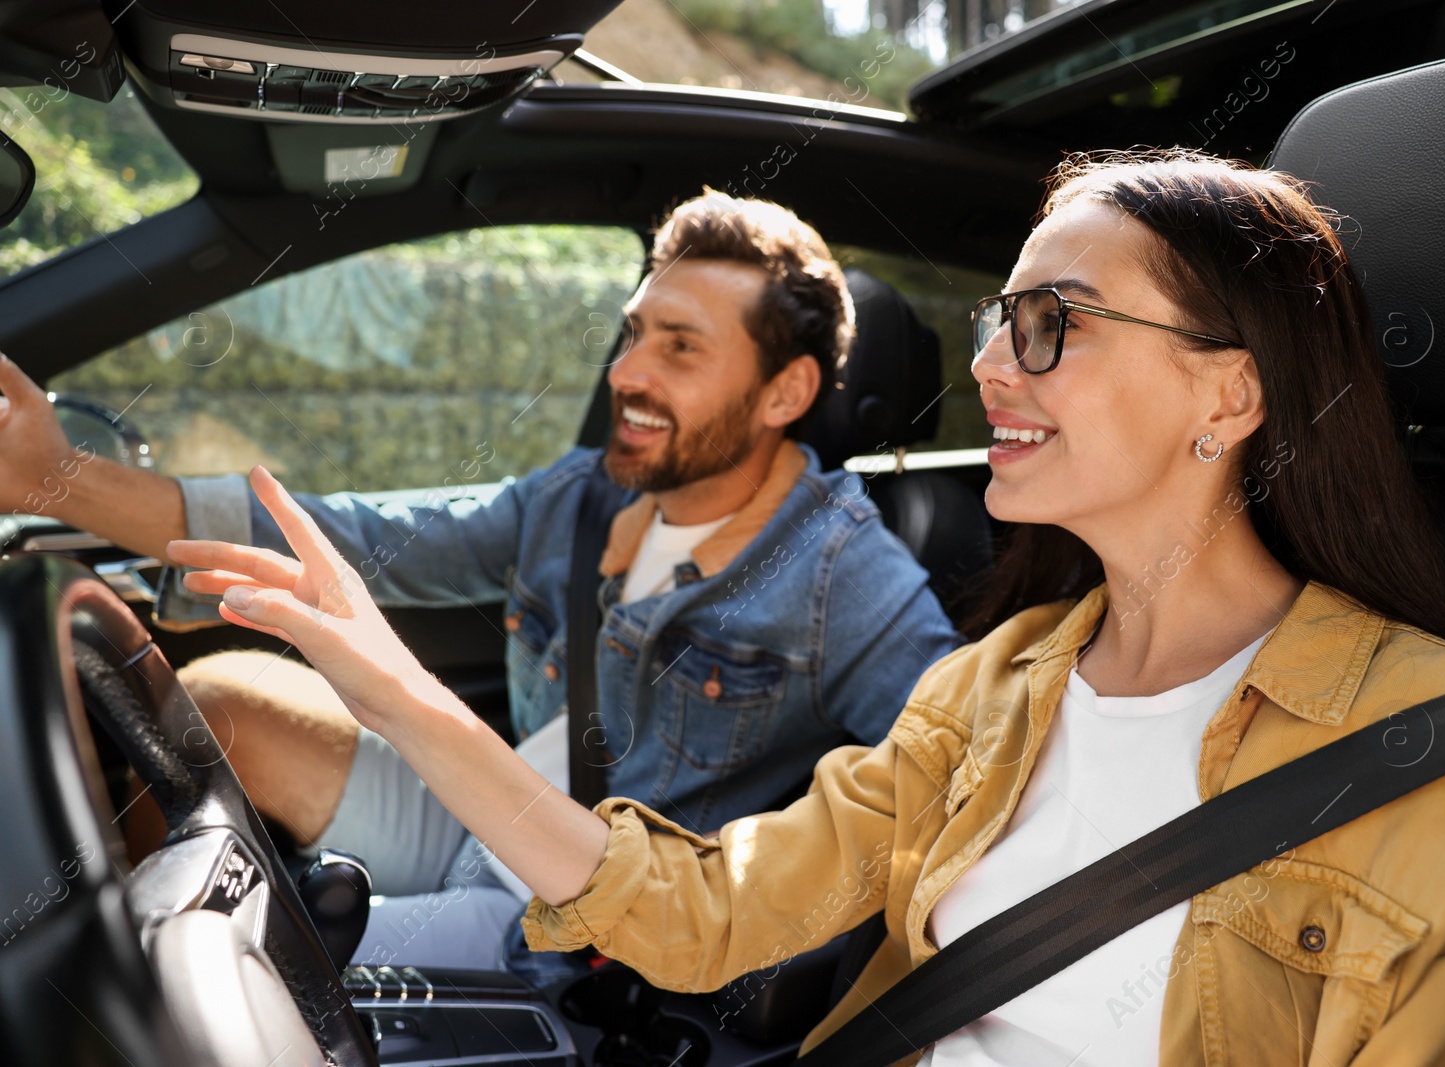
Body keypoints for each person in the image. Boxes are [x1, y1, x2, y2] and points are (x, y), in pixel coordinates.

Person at [170, 147, 1445, 1066]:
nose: (993, 365)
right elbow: (698, 913)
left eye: (1053, 323)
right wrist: (392, 687)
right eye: (998, 320)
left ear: (1230, 391)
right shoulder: (992, 691)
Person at [0, 190, 961, 975]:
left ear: (785, 393)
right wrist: (58, 479)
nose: (627, 371)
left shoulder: (846, 572)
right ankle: (63, 953)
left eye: (680, 347)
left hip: (565, 906)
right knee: (213, 703)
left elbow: (966, 770)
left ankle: (105, 986)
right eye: (633, 333)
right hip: (475, 801)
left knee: (229, 964)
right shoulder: (579, 498)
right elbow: (359, 538)